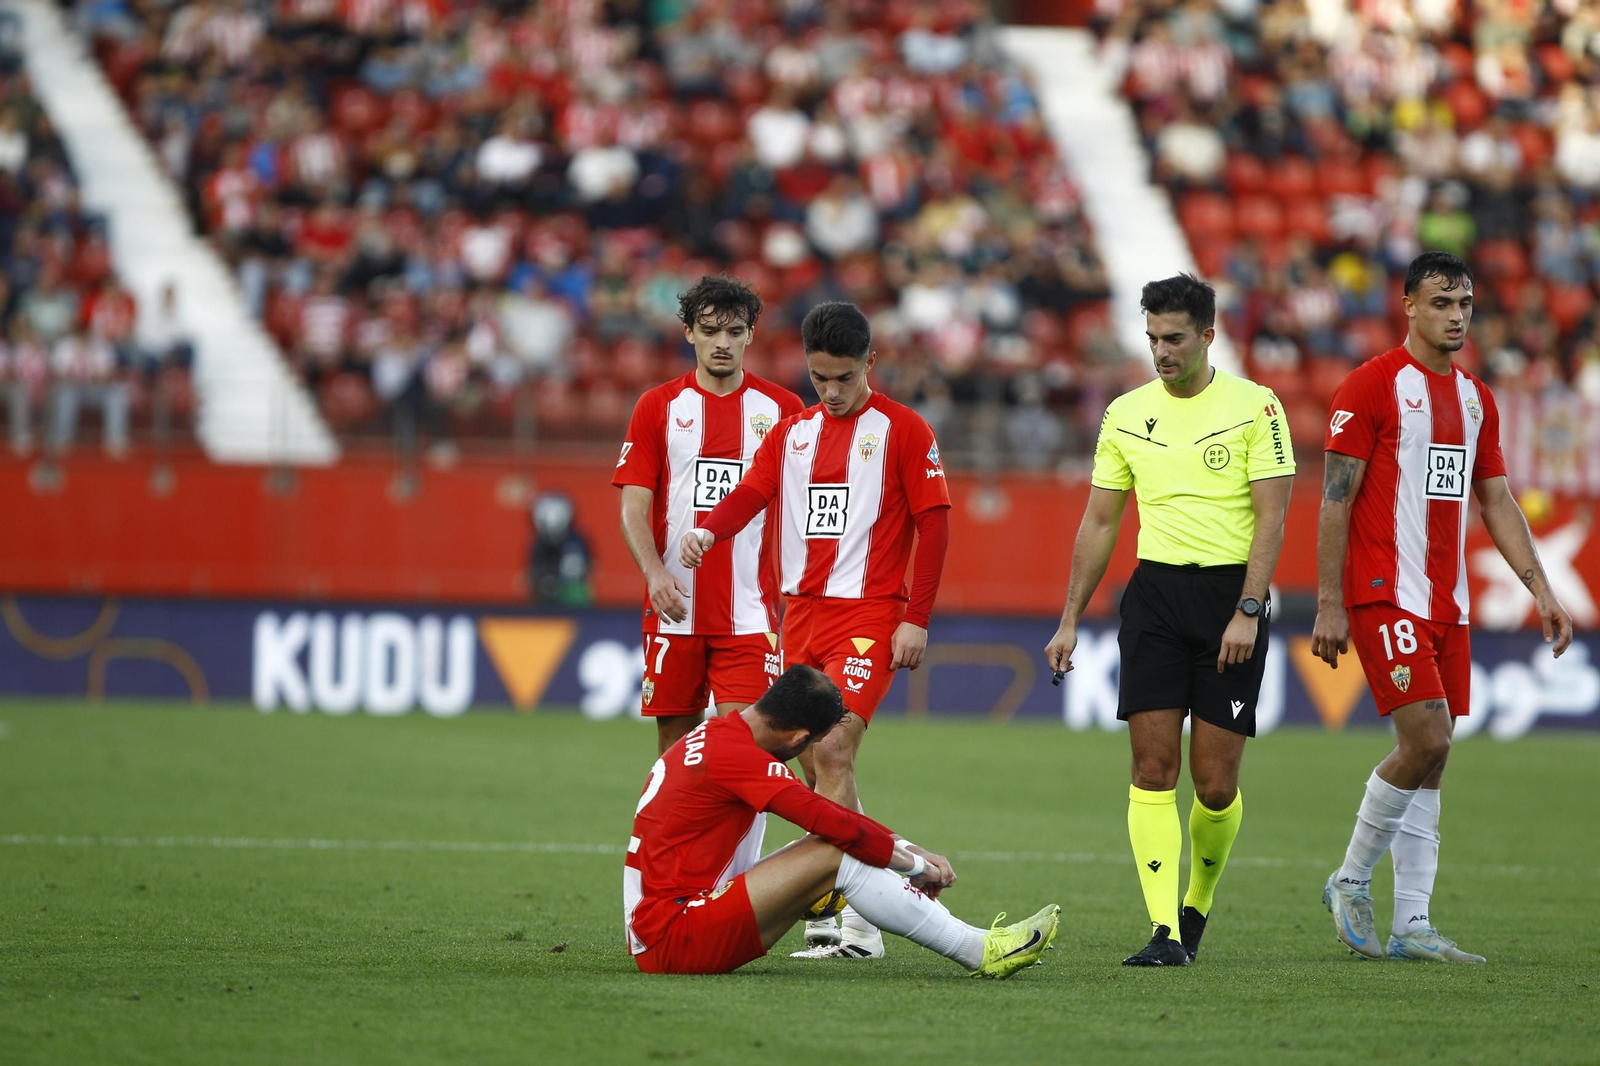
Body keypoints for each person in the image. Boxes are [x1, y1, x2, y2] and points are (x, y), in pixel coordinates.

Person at [1311, 252, 1573, 964]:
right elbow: (1335, 499)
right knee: (1425, 739)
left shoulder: (1477, 399)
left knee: (1435, 759)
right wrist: (1329, 601)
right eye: (1441, 302)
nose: (1456, 315)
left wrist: (1542, 590)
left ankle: (1414, 924)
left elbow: (1495, 499)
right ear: (1410, 307)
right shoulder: (1371, 386)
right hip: (1381, 592)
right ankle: (1350, 878)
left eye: (1464, 303)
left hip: (1446, 603)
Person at [681, 301, 952, 960]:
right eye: (819, 378)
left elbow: (936, 522)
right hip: (797, 616)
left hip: (867, 615)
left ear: (870, 364)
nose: (830, 392)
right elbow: (751, 492)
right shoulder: (792, 434)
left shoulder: (903, 430)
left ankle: (859, 918)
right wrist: (708, 530)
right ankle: (849, 911)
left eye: (843, 378)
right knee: (811, 761)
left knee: (831, 753)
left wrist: (915, 617)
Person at [1043, 274, 1295, 967]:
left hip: (1228, 602)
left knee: (1215, 784)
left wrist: (1249, 607)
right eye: (1152, 337)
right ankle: (1163, 932)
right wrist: (1068, 619)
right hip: (1153, 597)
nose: (1161, 350)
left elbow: (1273, 517)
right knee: (1152, 769)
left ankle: (1196, 906)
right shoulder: (1124, 413)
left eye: (1174, 337)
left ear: (1208, 335)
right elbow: (1099, 521)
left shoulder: (1256, 407)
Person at [625, 664, 1060, 978]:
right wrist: (915, 864)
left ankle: (974, 939)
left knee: (832, 845)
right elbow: (833, 824)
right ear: (798, 738)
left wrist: (906, 851)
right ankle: (981, 950)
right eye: (810, 745)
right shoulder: (738, 758)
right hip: (676, 935)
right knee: (836, 850)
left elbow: (832, 820)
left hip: (670, 923)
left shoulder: (722, 736)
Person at [613, 275, 804, 756]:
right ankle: (673, 836)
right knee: (675, 750)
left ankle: (736, 837)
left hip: (748, 610)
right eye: (711, 330)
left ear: (751, 336)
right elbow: (633, 505)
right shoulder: (657, 406)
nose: (723, 343)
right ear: (689, 333)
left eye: (735, 331)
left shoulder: (784, 409)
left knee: (750, 748)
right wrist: (655, 574)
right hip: (673, 608)